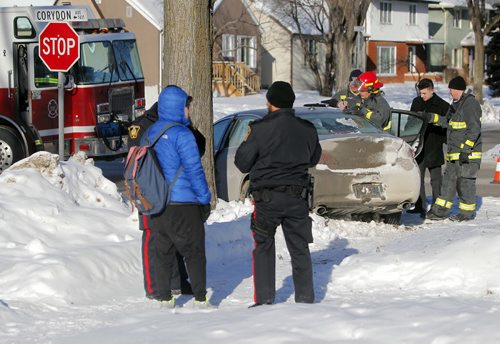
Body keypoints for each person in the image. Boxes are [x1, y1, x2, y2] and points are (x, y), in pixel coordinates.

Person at [234, 81, 322, 307]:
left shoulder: (260, 129)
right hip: (296, 198)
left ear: (270, 102)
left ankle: (264, 300)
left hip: (267, 199)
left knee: (263, 247)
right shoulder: (307, 128)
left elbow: (242, 163)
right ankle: (305, 299)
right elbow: (314, 158)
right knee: (300, 249)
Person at [128, 100, 207, 299]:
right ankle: (154, 287)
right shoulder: (146, 126)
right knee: (152, 239)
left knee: (170, 240)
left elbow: (200, 145)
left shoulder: (179, 126)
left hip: (166, 194)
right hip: (151, 193)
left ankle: (176, 283)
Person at [145, 85, 212, 308]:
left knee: (162, 252)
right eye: (186, 106)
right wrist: (204, 199)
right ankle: (201, 299)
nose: (188, 111)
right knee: (194, 251)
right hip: (184, 203)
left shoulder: (151, 132)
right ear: (179, 107)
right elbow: (194, 170)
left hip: (158, 203)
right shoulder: (183, 135)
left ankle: (165, 298)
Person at [427, 76, 482, 221]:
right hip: (454, 154)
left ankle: (466, 213)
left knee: (465, 183)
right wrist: (431, 118)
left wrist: (465, 149)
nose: (450, 92)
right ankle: (439, 212)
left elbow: (474, 129)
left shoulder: (470, 104)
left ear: (457, 89)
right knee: (448, 183)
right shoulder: (456, 105)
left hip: (467, 155)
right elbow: (448, 122)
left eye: (451, 89)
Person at [407, 78, 449, 218]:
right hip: (419, 146)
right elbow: (410, 123)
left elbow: (447, 127)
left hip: (435, 146)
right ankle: (420, 206)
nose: (422, 96)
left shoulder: (443, 105)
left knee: (436, 180)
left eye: (425, 93)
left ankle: (437, 207)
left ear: (432, 90)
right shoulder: (416, 102)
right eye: (420, 93)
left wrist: (444, 142)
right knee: (418, 178)